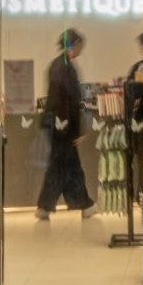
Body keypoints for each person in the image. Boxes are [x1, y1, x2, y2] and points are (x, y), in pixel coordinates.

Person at [36, 27, 96, 220]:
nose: (81, 50)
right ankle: (81, 204)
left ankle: (73, 204)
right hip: (62, 126)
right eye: (80, 45)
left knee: (64, 166)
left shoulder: (59, 64)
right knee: (65, 166)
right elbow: (66, 100)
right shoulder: (64, 67)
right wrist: (73, 129)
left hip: (58, 125)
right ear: (74, 44)